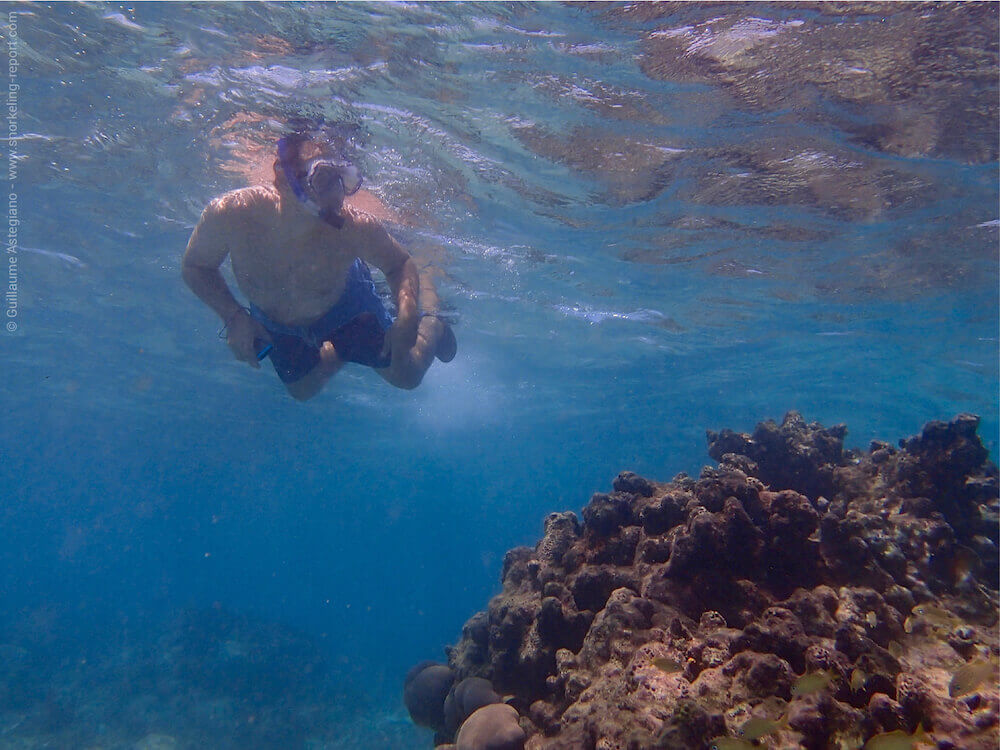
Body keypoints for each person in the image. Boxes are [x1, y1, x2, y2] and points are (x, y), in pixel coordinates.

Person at [182, 134, 456, 400]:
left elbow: (400, 263)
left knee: (407, 376)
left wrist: (407, 319)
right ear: (281, 175)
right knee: (302, 391)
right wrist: (234, 317)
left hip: (347, 309)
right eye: (322, 178)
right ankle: (338, 351)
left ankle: (433, 324)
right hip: (274, 321)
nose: (336, 197)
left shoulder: (354, 227)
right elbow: (195, 266)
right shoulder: (232, 213)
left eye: (343, 180)